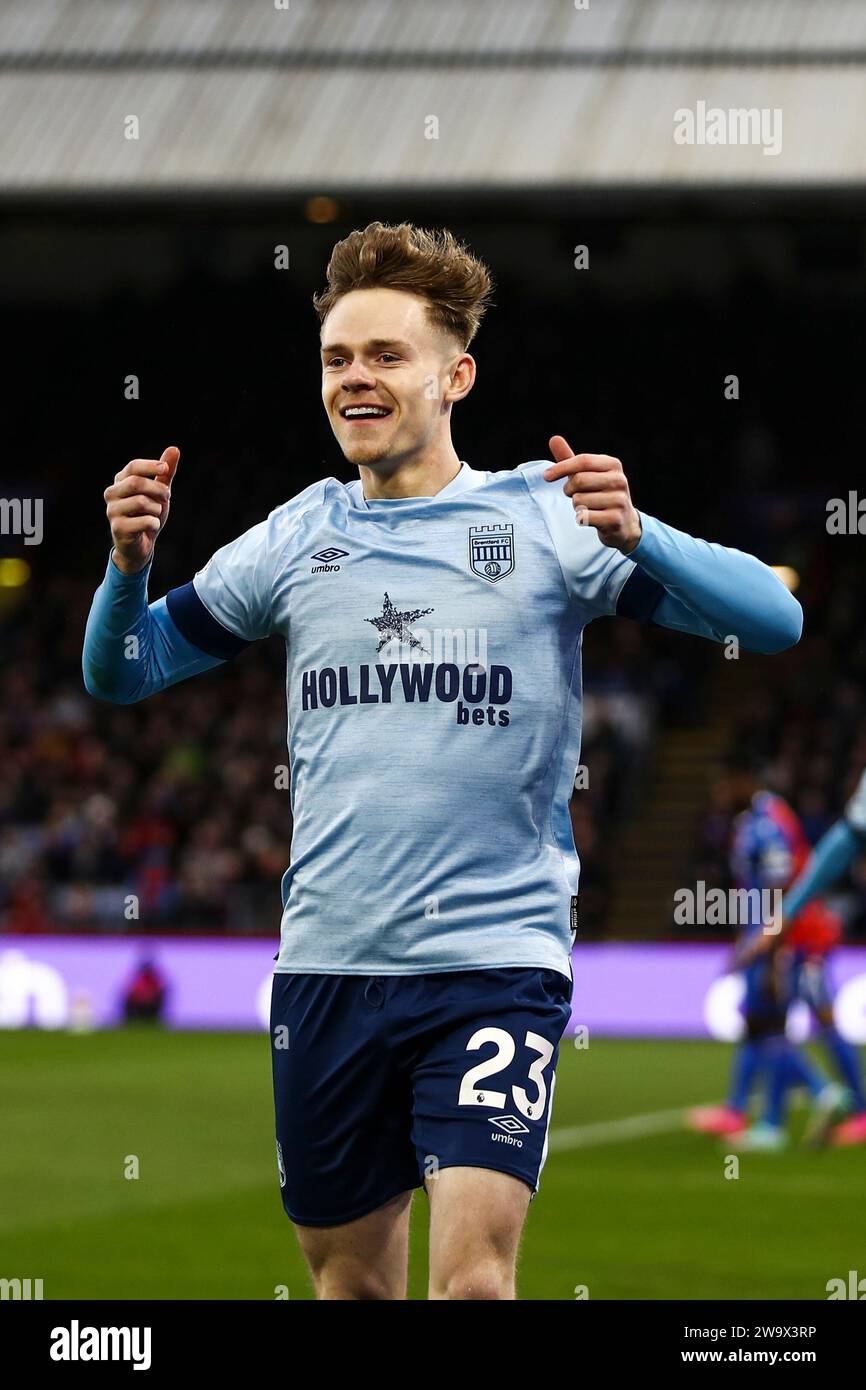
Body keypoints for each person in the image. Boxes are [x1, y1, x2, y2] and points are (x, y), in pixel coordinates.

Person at [82, 221, 802, 1299]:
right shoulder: (291, 539)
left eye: (384, 356)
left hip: (492, 960)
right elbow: (125, 671)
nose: (354, 379)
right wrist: (126, 569)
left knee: (471, 1283)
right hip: (328, 967)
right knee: (350, 1288)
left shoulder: (543, 520)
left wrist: (640, 531)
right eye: (336, 358)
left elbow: (774, 618)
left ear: (454, 373)